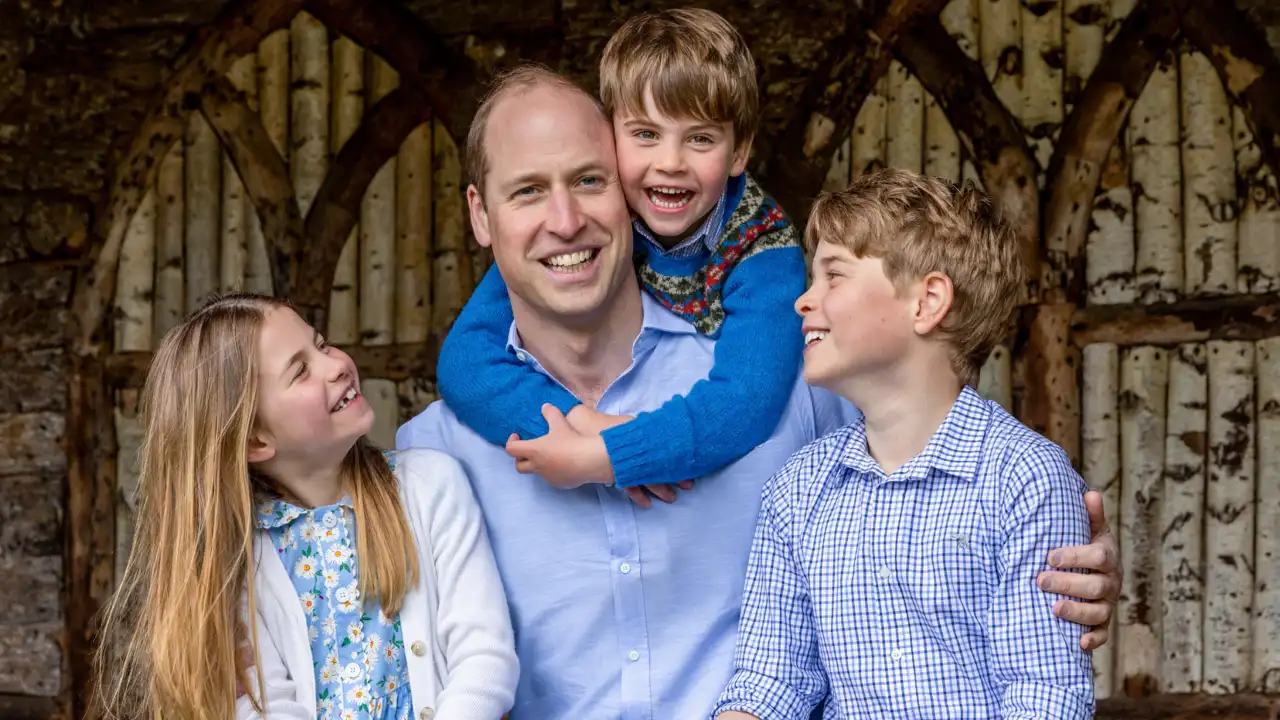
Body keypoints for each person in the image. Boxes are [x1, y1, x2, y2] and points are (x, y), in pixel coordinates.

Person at [396, 65, 1120, 720]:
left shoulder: (788, 386)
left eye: (590, 180)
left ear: (632, 191)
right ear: (481, 216)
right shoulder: (433, 456)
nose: (564, 220)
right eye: (528, 191)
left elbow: (936, 490)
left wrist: (1054, 576)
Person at [714, 170, 1096, 719]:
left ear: (927, 302)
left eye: (833, 276)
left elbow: (1044, 697)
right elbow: (770, 683)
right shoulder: (797, 490)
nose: (803, 301)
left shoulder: (1024, 478)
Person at [88, 294, 519, 720]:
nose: (337, 364)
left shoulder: (429, 486)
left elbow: (483, 655)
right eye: (300, 371)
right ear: (256, 441)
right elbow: (263, 706)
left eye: (322, 343)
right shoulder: (236, 559)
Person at [433, 8, 806, 497]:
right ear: (611, 137)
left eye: (699, 139)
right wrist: (580, 425)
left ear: (739, 153)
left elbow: (747, 402)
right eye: (646, 135)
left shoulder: (765, 250)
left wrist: (614, 456)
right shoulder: (603, 217)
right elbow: (464, 362)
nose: (669, 163)